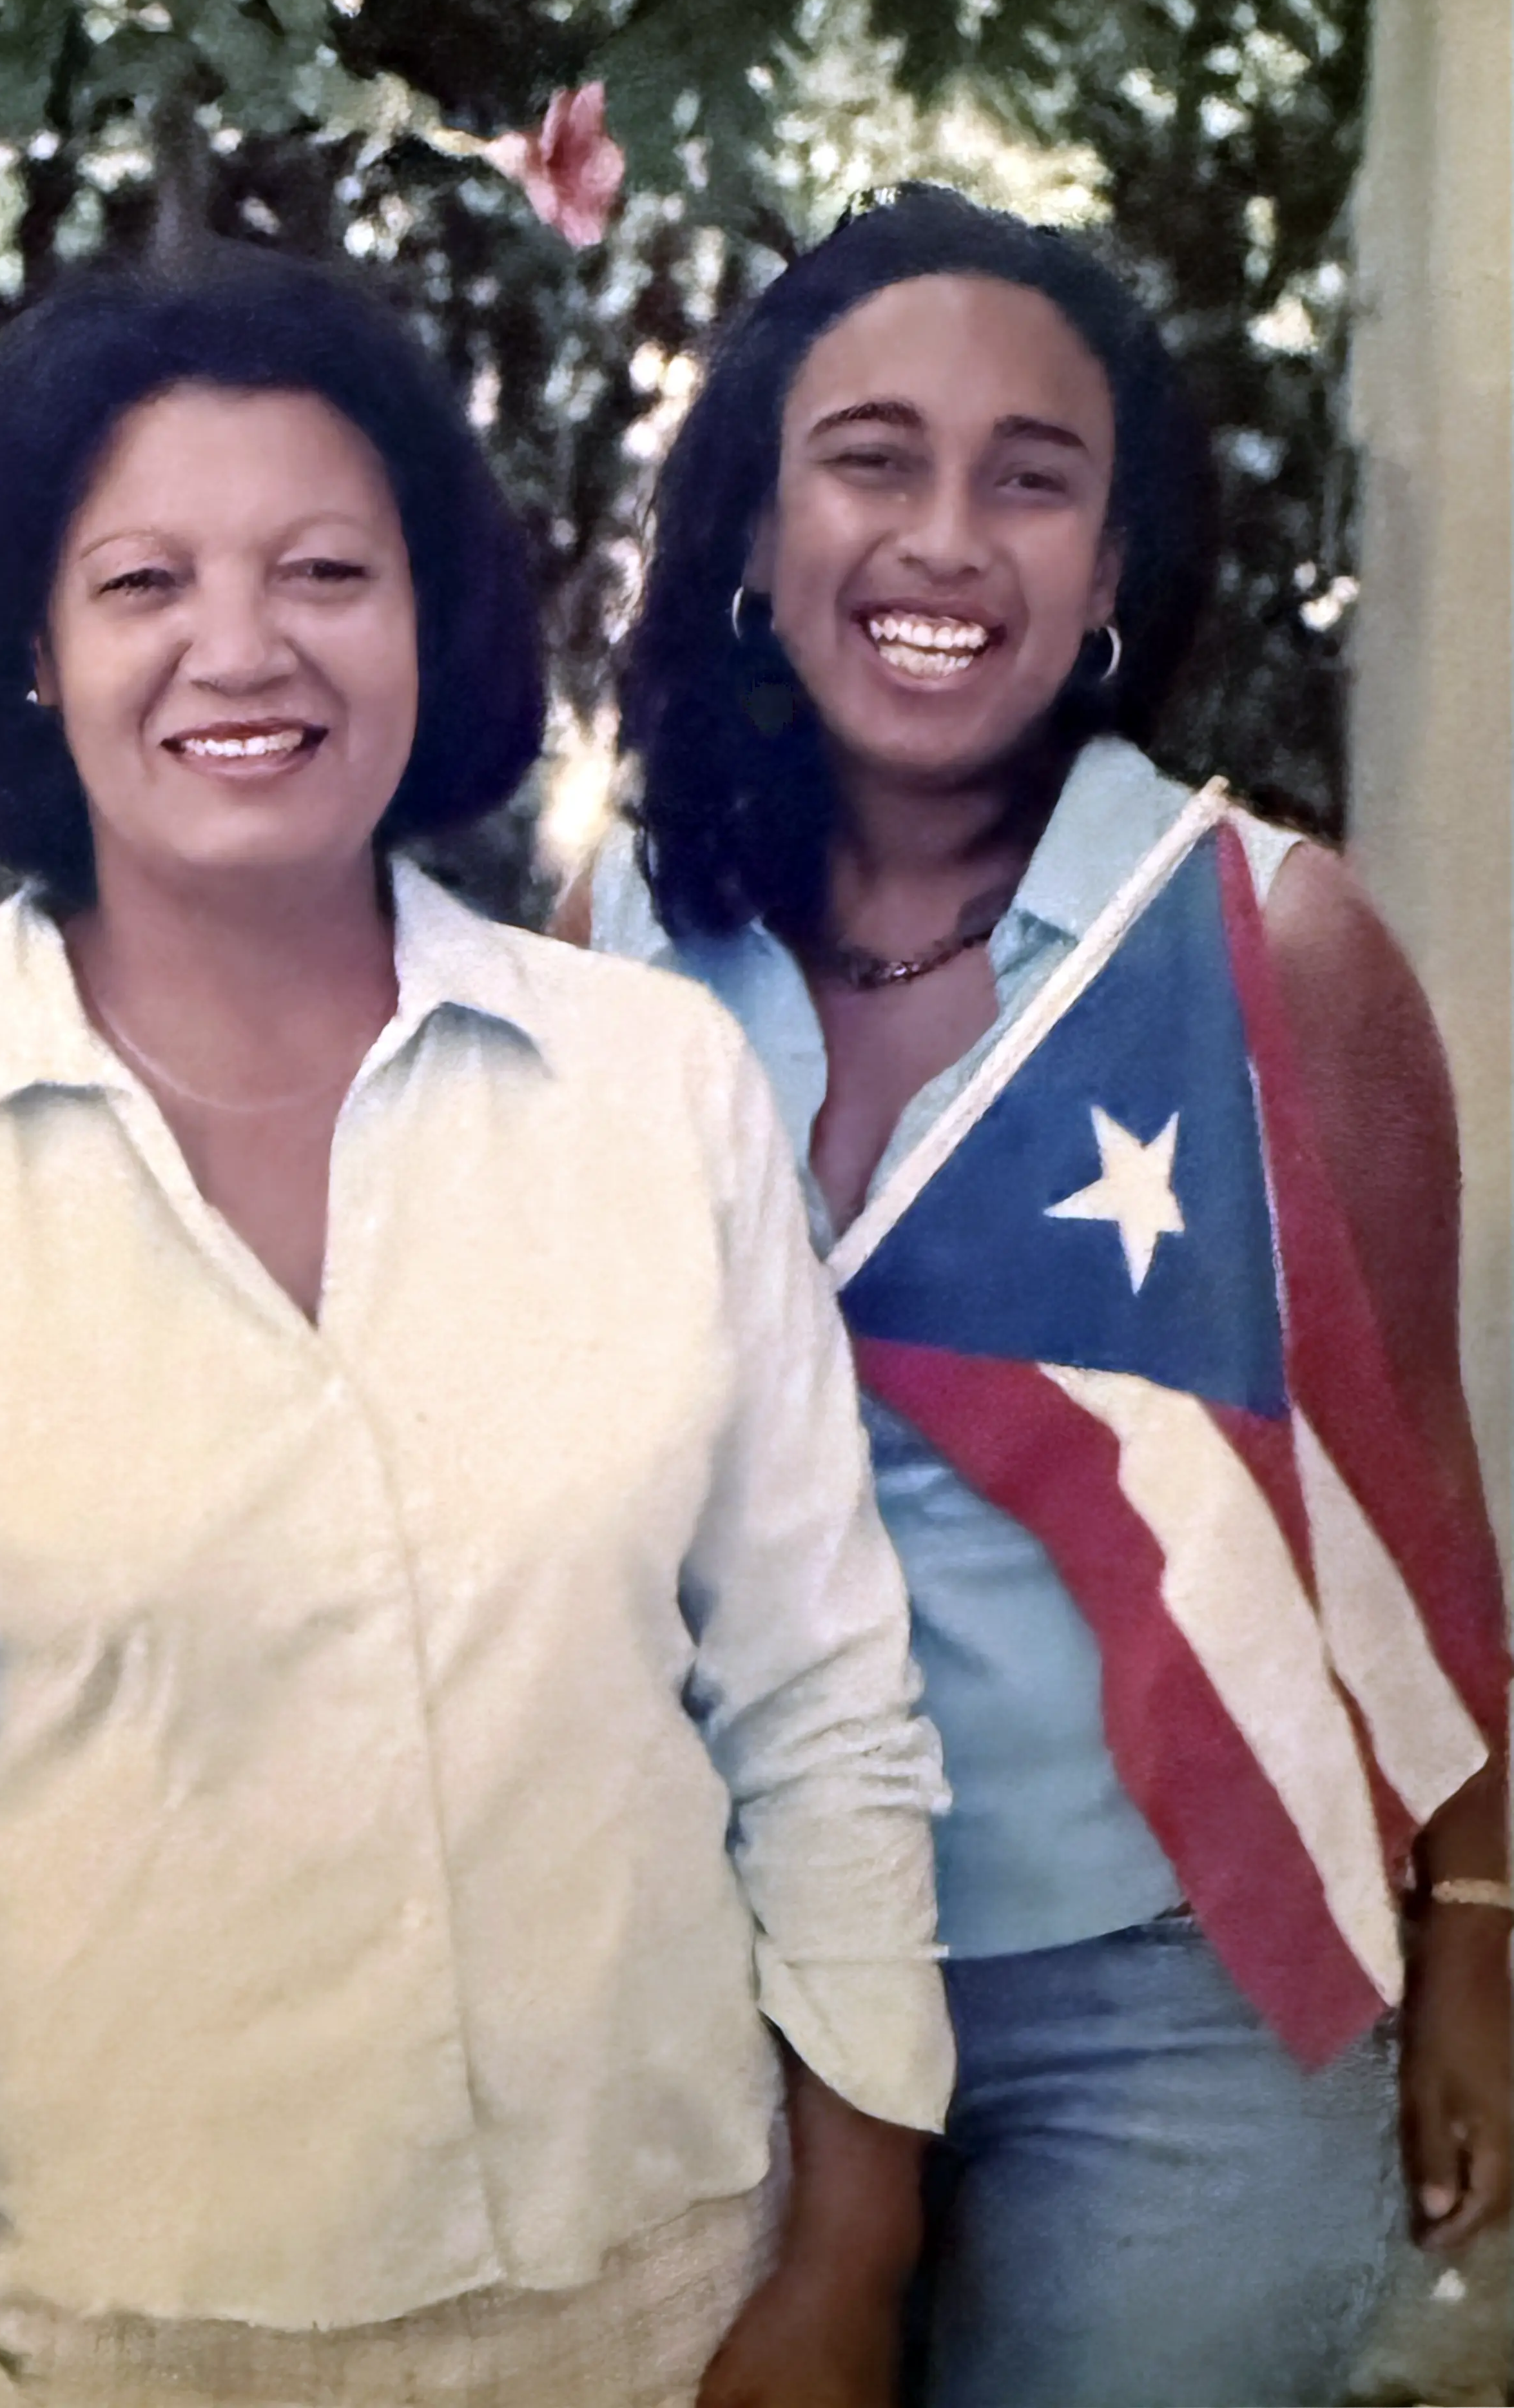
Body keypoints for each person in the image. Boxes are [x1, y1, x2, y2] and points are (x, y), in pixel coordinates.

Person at [0, 244, 956, 2408]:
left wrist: (850, 2257)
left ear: (427, 624)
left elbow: (822, 1698)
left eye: (326, 568)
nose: (244, 647)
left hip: (671, 2293)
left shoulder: (649, 1090)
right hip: (114, 2338)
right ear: (31, 647)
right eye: (142, 583)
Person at [574, 183, 1511, 2408]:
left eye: (1033, 479)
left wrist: (1477, 1930)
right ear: (756, 520)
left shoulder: (1267, 935)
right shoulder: (617, 933)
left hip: (1167, 1988)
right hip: (725, 1974)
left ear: (1110, 569)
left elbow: (1415, 1477)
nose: (947, 538)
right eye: (873, 458)